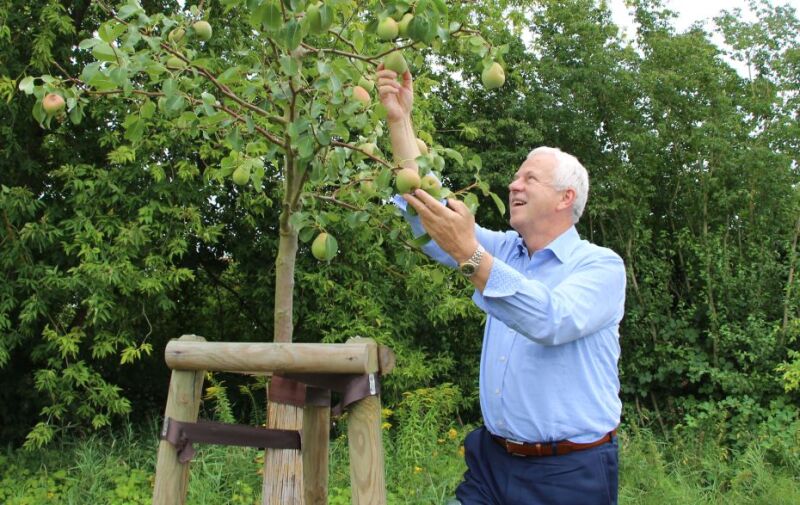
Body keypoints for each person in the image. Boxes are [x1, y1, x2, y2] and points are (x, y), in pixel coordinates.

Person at [376, 65, 627, 505]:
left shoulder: (600, 267)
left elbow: (550, 319)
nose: (514, 184)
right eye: (516, 176)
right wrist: (401, 121)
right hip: (492, 463)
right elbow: (428, 213)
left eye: (530, 178)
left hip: (568, 472)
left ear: (566, 198)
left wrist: (469, 255)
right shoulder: (506, 251)